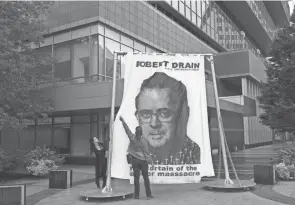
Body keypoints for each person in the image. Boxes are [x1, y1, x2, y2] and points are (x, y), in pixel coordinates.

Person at [134, 72, 200, 165]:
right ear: (138, 117)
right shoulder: (132, 152)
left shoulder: (195, 156)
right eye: (146, 114)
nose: (154, 123)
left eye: (164, 114)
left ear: (183, 114)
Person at [119, 116, 154, 200]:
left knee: (136, 178)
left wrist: (123, 121)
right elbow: (147, 153)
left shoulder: (132, 138)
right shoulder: (143, 142)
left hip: (135, 161)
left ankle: (137, 196)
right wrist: (151, 162)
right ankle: (148, 195)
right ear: (141, 133)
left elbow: (127, 130)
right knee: (146, 178)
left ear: (135, 132)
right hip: (143, 162)